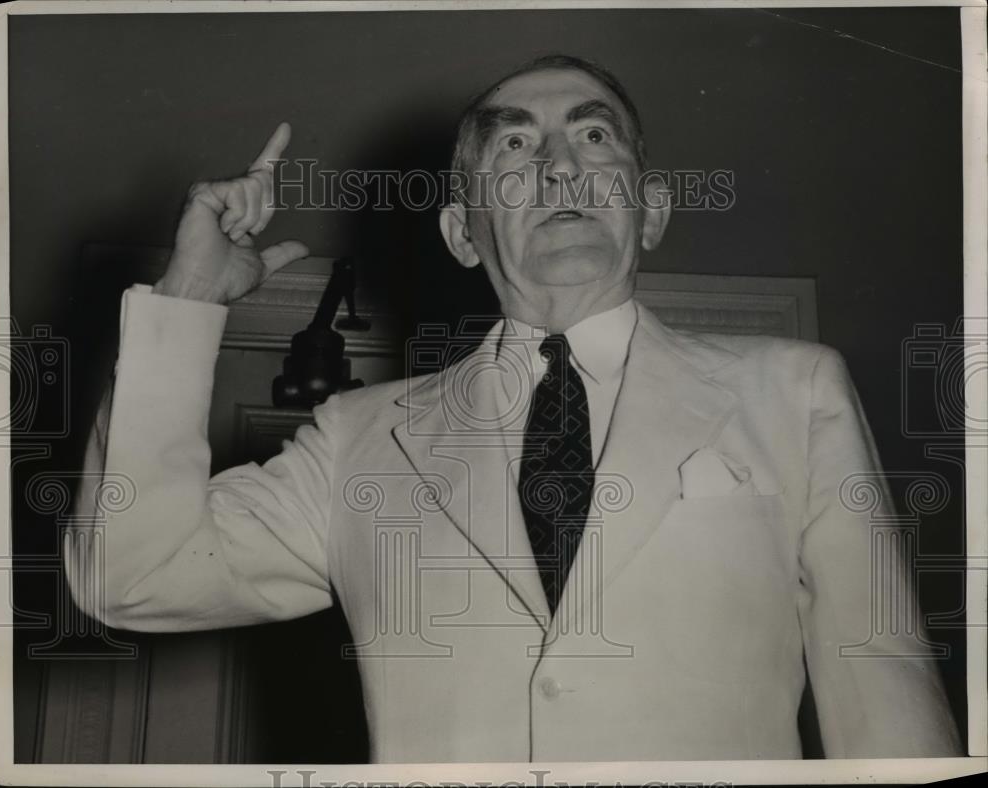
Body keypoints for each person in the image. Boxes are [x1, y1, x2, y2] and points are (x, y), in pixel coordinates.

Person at [66, 54, 962, 762]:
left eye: (595, 138)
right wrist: (188, 297)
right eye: (515, 147)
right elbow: (130, 576)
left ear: (650, 212)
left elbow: (884, 696)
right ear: (463, 232)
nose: (562, 166)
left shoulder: (794, 389)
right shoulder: (358, 440)